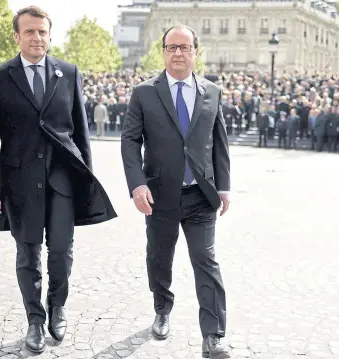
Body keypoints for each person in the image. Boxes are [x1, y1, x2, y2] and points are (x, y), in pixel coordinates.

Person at [0, 6, 117, 353]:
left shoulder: (67, 73)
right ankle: (35, 321)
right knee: (28, 254)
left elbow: (81, 133)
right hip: (18, 181)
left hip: (63, 180)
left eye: (42, 32)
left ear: (49, 35)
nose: (37, 37)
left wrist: (87, 179)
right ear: (17, 36)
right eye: (29, 32)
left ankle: (57, 307)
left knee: (62, 252)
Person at [121, 24, 231, 359]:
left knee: (206, 261)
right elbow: (130, 140)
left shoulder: (212, 91)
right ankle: (162, 309)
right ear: (163, 52)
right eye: (172, 47)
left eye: (185, 47)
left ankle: (213, 335)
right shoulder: (144, 93)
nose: (178, 53)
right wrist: (137, 184)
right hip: (159, 196)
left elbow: (219, 142)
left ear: (196, 51)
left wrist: (224, 186)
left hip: (201, 196)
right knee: (159, 258)